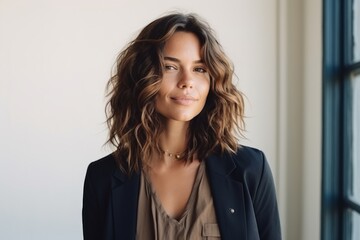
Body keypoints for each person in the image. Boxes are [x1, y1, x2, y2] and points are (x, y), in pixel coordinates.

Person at [82, 12, 281, 240]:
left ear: (213, 80)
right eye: (170, 67)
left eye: (199, 69)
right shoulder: (103, 178)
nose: (187, 81)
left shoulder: (251, 169)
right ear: (143, 76)